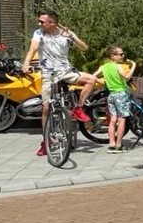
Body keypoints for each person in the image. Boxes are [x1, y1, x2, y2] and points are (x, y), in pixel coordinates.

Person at [21, 11, 96, 156]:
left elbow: (84, 47)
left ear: (52, 23)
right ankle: (46, 140)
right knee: (46, 108)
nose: (39, 24)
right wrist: (26, 63)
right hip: (48, 73)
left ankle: (79, 108)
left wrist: (72, 37)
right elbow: (33, 49)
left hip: (65, 71)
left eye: (42, 22)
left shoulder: (65, 33)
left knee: (91, 80)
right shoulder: (39, 33)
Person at [90, 46, 135, 154]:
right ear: (113, 56)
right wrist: (133, 65)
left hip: (111, 95)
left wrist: (102, 82)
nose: (123, 56)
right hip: (121, 94)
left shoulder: (103, 67)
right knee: (122, 119)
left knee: (112, 120)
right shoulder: (118, 67)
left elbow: (92, 76)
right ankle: (118, 145)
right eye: (121, 54)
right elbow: (127, 77)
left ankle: (111, 144)